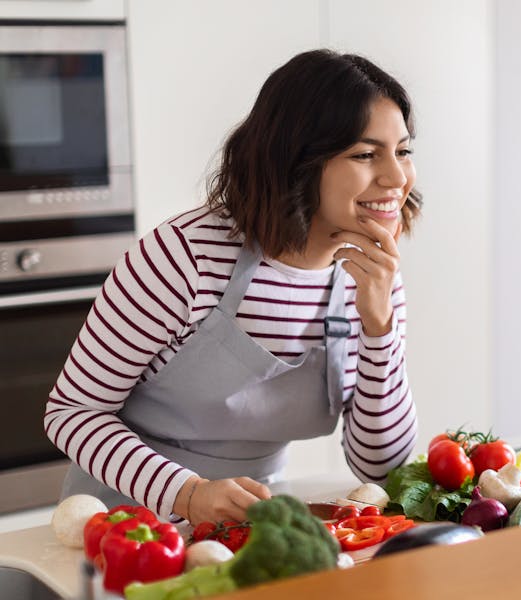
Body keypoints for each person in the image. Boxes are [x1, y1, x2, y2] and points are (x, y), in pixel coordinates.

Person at [43, 49, 420, 525]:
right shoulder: (183, 257)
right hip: (125, 525)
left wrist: (379, 327)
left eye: (403, 151)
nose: (396, 178)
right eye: (366, 154)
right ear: (296, 161)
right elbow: (72, 411)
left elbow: (382, 468)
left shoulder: (371, 278)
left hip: (251, 525)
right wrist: (189, 494)